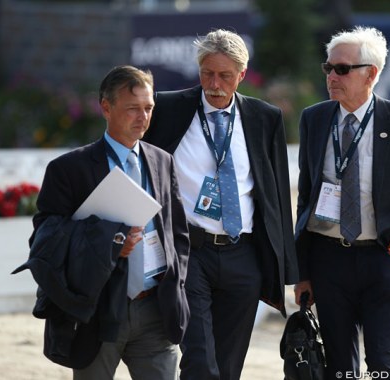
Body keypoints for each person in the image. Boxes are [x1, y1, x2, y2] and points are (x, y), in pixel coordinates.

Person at [143, 29, 298, 380]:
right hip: (188, 253)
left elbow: (275, 196)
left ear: (241, 75)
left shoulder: (264, 117)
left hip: (243, 255)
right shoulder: (167, 108)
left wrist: (289, 266)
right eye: (207, 73)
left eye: (225, 75)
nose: (214, 83)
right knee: (200, 362)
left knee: (228, 368)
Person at [21, 65, 190, 379]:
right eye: (132, 109)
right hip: (96, 312)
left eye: (148, 108)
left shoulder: (162, 160)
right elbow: (44, 240)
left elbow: (177, 233)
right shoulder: (68, 169)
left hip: (155, 309)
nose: (143, 117)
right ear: (106, 107)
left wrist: (176, 285)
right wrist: (109, 242)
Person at [294, 26, 390, 379]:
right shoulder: (314, 118)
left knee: (386, 366)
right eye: (328, 68)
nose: (332, 76)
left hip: (383, 258)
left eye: (342, 69)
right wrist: (304, 271)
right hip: (328, 261)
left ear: (371, 73)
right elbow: (306, 197)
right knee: (339, 368)